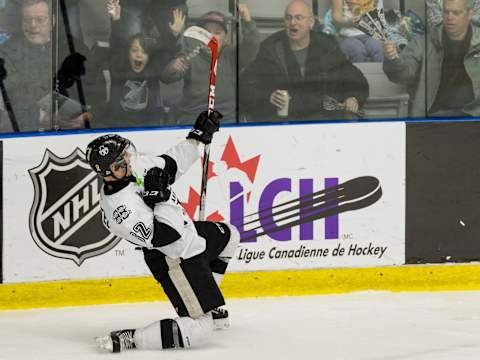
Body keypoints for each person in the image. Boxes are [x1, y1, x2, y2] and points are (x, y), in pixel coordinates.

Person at [87, 110, 241, 353]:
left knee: (230, 236)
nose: (129, 159)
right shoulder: (120, 210)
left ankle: (208, 304)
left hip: (190, 237)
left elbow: (169, 165)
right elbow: (165, 236)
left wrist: (197, 138)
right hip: (174, 259)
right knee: (201, 330)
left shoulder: (130, 168)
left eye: (125, 154)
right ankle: (131, 338)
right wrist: (163, 198)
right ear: (109, 172)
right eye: (121, 160)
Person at [240, 0, 369, 122]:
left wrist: (353, 97)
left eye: (298, 17)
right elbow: (246, 86)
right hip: (284, 124)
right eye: (288, 18)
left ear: (311, 22)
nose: (293, 23)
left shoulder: (327, 47)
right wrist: (269, 96)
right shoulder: (271, 49)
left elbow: (357, 80)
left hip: (323, 122)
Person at [0, 0, 97, 132]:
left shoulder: (73, 47)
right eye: (27, 20)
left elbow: (96, 87)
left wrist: (88, 116)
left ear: (52, 21)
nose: (33, 25)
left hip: (81, 128)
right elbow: (12, 99)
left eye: (40, 19)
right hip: (28, 130)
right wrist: (45, 119)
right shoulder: (7, 53)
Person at [161, 4, 260, 124]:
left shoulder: (232, 55)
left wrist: (247, 21)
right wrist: (172, 67)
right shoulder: (191, 54)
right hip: (194, 121)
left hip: (228, 122)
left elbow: (252, 45)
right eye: (205, 33)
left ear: (226, 38)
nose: (211, 38)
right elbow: (167, 78)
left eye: (217, 33)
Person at [383, 0, 480, 118]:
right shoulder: (423, 43)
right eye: (446, 12)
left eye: (456, 12)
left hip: (474, 116)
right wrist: (392, 58)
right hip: (434, 116)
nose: (450, 17)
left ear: (470, 14)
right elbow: (402, 76)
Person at [97, 33, 172, 128]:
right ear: (127, 53)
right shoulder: (119, 68)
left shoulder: (152, 70)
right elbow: (116, 46)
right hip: (119, 125)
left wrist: (172, 35)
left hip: (145, 126)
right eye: (134, 50)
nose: (139, 55)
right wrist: (116, 22)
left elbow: (166, 55)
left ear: (150, 57)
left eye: (144, 52)